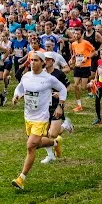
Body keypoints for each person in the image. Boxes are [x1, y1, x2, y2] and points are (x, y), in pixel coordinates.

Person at [10, 52, 66, 190]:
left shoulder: (48, 78)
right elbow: (20, 87)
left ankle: (21, 179)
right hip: (28, 117)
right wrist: (16, 95)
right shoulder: (26, 76)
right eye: (31, 60)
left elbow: (63, 89)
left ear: (42, 62)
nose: (32, 63)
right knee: (37, 143)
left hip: (41, 118)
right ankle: (55, 142)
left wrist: (60, 105)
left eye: (36, 60)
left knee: (30, 146)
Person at [41, 50, 72, 164]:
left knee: (53, 134)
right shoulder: (41, 73)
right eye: (45, 59)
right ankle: (50, 155)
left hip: (56, 106)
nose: (46, 61)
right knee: (44, 134)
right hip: (44, 107)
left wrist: (60, 94)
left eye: (48, 59)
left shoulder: (59, 73)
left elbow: (68, 87)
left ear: (53, 61)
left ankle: (65, 125)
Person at [68, 28, 95, 112]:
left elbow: (93, 51)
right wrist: (72, 59)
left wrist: (86, 58)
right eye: (75, 34)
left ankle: (91, 84)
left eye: (78, 34)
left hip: (85, 66)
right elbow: (74, 54)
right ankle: (79, 105)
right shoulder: (73, 44)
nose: (76, 35)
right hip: (77, 67)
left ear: (82, 35)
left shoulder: (86, 43)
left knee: (83, 87)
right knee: (75, 85)